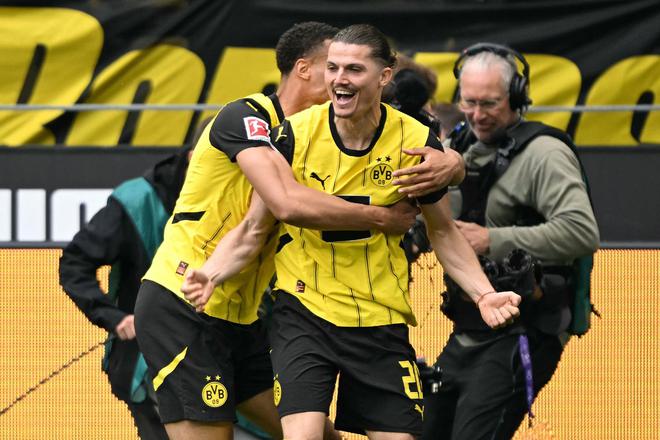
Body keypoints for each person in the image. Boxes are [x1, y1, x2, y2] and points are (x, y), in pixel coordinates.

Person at [183, 24, 520, 440]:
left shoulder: (414, 142)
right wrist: (211, 273)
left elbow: (444, 232)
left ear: (384, 76)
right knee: (304, 436)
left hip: (379, 317)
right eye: (333, 68)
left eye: (354, 69)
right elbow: (255, 226)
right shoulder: (293, 136)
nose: (339, 79)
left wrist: (484, 294)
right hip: (304, 312)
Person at [421, 43, 600, 440]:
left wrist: (491, 239)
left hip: (524, 332)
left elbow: (582, 232)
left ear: (517, 97)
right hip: (469, 328)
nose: (477, 114)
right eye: (469, 102)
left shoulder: (545, 154)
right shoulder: (459, 148)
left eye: (490, 103)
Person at [59, 144, 193, 440]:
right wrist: (114, 317)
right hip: (147, 363)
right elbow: (74, 264)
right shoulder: (137, 201)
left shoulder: (243, 195)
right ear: (195, 156)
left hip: (225, 356)